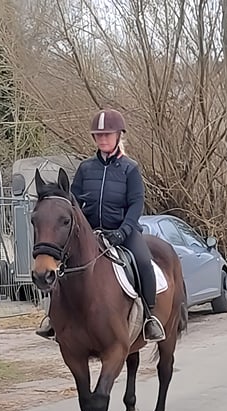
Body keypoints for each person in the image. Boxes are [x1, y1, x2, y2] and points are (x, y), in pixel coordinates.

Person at [36, 108, 166, 343]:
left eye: (108, 134)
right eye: (99, 135)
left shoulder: (130, 169)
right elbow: (72, 203)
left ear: (118, 136)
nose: (103, 139)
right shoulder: (86, 168)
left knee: (144, 263)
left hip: (123, 232)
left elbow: (136, 205)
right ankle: (52, 318)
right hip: (91, 232)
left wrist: (122, 232)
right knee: (62, 266)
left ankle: (149, 318)